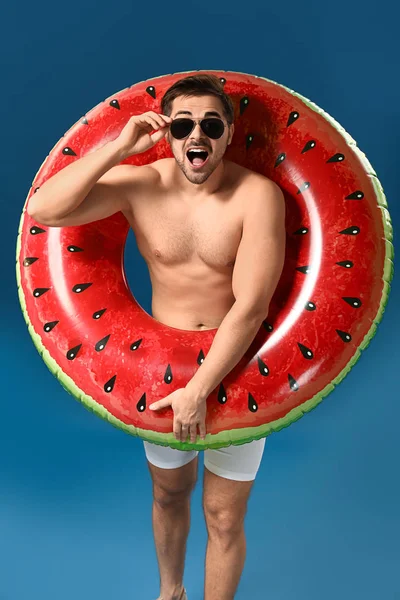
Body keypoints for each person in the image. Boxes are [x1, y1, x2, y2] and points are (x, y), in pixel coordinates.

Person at [28, 74, 286, 600]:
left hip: (238, 368)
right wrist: (120, 147)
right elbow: (44, 210)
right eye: (185, 124)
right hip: (159, 367)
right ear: (167, 132)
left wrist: (200, 390)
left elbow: (251, 305)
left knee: (222, 513)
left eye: (212, 125)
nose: (199, 136)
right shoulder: (141, 185)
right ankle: (171, 592)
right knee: (169, 494)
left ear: (229, 133)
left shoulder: (258, 196)